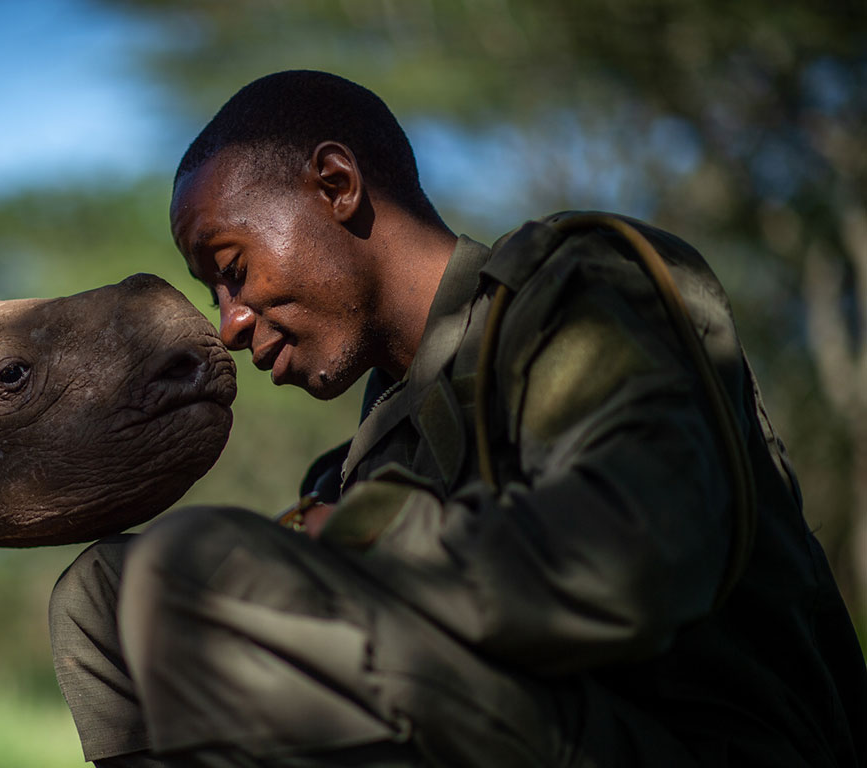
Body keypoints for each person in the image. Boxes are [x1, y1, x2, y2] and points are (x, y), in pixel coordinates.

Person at [48, 70, 867, 768]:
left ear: (336, 186)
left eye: (233, 270)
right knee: (101, 591)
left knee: (195, 563)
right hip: (517, 722)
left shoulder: (580, 289)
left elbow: (634, 565)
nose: (228, 322)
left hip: (689, 744)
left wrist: (361, 537)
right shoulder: (357, 457)